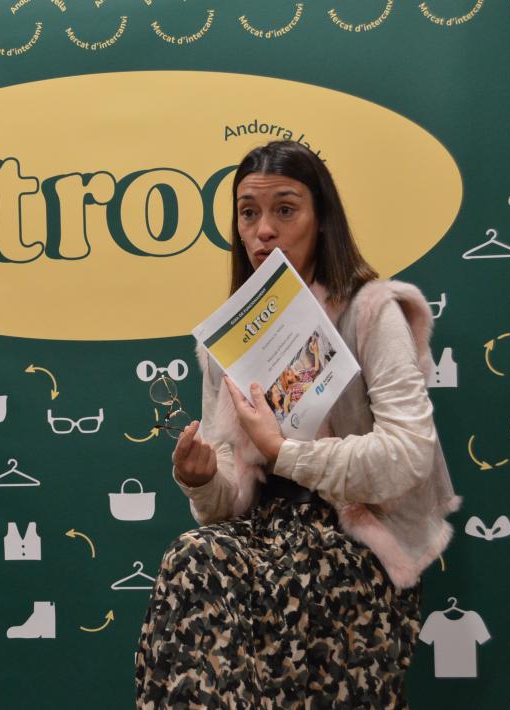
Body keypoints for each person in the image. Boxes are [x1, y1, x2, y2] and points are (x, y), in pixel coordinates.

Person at [135, 141, 458, 708]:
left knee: (298, 580)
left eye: (285, 210)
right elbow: (226, 503)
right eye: (248, 212)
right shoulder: (226, 342)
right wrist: (203, 479)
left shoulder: (372, 309)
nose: (264, 230)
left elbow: (409, 454)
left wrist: (286, 453)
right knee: (191, 557)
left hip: (356, 537)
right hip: (262, 533)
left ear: (320, 219)